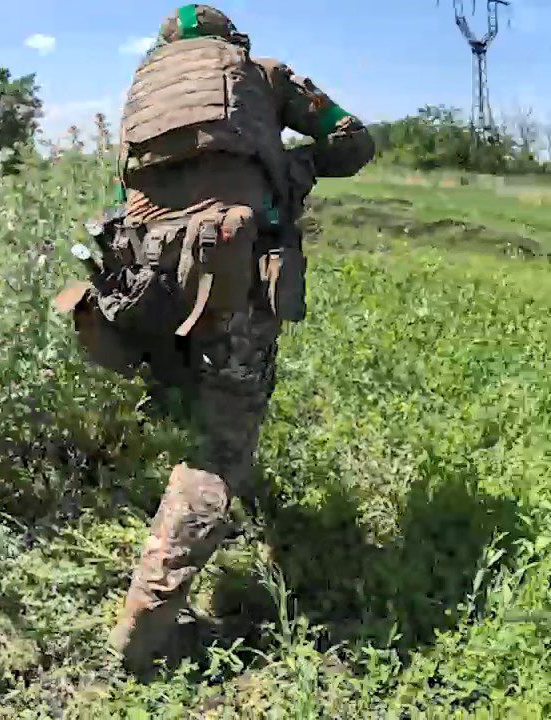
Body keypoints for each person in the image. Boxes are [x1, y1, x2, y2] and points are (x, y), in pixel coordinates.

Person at [54, 4, 375, 676]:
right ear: (229, 42)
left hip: (144, 284)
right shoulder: (261, 74)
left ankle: (235, 500)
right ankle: (143, 632)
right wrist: (291, 167)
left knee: (196, 405)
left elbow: (130, 191)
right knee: (220, 449)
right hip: (229, 270)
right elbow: (353, 143)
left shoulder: (145, 89)